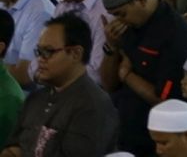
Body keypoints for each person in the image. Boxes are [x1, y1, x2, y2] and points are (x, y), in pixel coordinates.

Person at [2, 13, 119, 156]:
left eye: (48, 52)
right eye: (39, 52)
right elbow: (14, 148)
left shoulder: (94, 106)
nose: (40, 59)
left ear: (76, 53)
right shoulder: (36, 98)